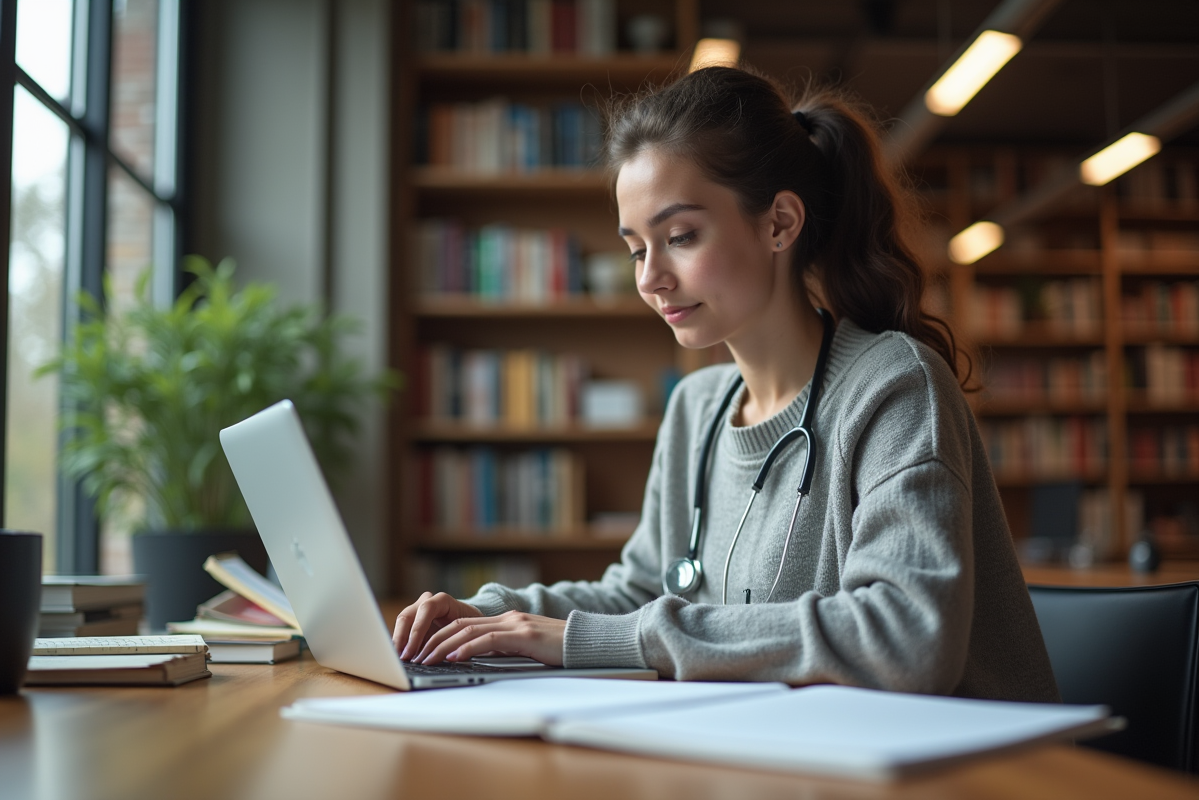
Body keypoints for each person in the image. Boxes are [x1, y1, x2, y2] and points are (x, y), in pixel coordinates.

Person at [392, 66, 1059, 702]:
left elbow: (906, 636)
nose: (650, 278)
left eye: (679, 236)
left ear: (779, 224)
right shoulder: (698, 408)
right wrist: (490, 614)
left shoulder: (894, 386)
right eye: (635, 249)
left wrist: (592, 639)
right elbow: (642, 593)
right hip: (791, 751)